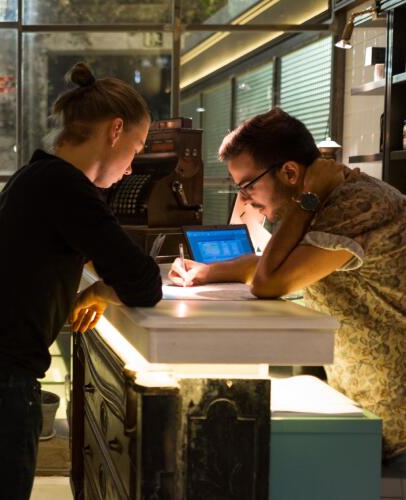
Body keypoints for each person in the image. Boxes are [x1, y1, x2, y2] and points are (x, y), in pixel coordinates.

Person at [0, 62, 162, 499]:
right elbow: (144, 283)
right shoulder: (67, 187)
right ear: (115, 130)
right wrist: (102, 289)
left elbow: (77, 253)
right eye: (136, 149)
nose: (132, 168)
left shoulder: (36, 176)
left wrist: (99, 284)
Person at [169, 108, 406, 469]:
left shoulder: (356, 204)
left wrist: (305, 199)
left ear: (290, 173)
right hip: (369, 408)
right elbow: (274, 263)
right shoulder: (328, 199)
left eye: (248, 186)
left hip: (394, 421)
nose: (245, 199)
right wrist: (206, 272)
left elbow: (269, 282)